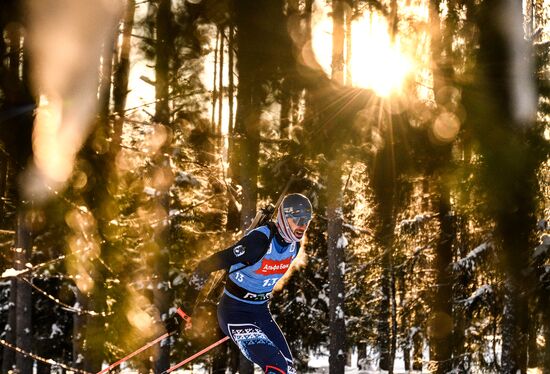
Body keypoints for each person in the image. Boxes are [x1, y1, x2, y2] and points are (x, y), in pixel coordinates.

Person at [186, 193, 313, 374]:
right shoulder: (258, 241)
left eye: (307, 220)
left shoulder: (295, 246)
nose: (303, 225)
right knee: (277, 367)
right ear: (285, 217)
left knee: (288, 369)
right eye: (298, 218)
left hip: (260, 312)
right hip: (234, 314)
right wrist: (185, 311)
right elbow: (206, 266)